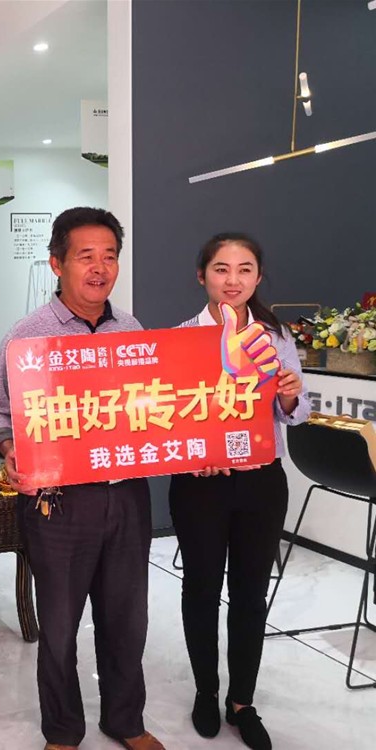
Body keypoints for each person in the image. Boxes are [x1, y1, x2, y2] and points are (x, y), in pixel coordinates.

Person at [0, 207, 163, 750]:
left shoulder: (132, 331)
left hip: (126, 496)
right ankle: (62, 729)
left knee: (127, 618)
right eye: (86, 256)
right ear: (57, 263)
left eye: (110, 256)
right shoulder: (28, 335)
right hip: (58, 503)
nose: (100, 268)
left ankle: (125, 721)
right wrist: (10, 449)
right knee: (59, 626)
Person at [169, 233, 308, 750]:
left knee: (250, 594)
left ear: (258, 277)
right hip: (200, 484)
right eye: (221, 269)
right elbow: (168, 416)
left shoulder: (275, 337)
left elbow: (297, 414)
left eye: (245, 269)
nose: (233, 280)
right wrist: (193, 455)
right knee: (201, 589)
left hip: (261, 481)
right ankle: (206, 691)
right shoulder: (181, 339)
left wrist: (289, 396)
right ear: (201, 275)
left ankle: (242, 702)